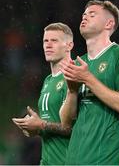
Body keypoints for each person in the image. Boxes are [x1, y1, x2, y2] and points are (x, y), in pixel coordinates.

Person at [59, 0, 119, 165]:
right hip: (73, 160)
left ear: (109, 23)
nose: (85, 17)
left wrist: (87, 79)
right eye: (84, 14)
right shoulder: (78, 64)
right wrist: (72, 91)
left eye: (92, 14)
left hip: (104, 160)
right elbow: (66, 122)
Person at [12, 22, 74, 165]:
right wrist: (34, 128)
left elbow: (75, 128)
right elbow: (52, 122)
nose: (48, 45)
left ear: (69, 45)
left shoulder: (74, 75)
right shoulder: (48, 80)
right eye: (45, 41)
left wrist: (41, 126)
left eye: (54, 40)